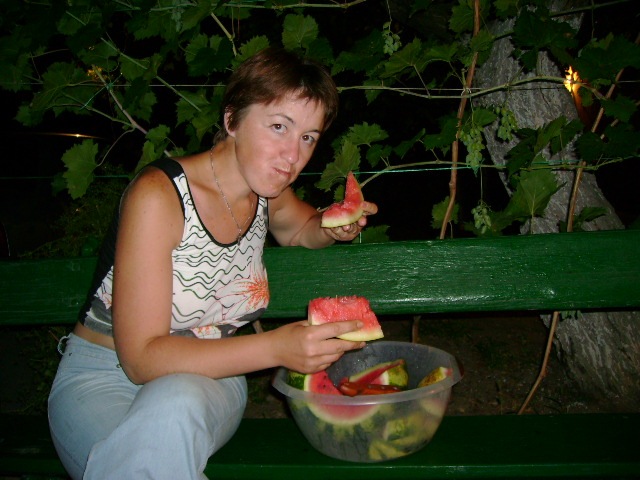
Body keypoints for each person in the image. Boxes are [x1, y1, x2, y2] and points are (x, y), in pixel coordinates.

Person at [47, 47, 378, 479]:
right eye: (279, 126)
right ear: (232, 119)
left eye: (308, 137)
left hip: (211, 379)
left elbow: (301, 229)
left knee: (176, 402)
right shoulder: (159, 196)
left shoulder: (269, 194)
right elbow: (141, 359)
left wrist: (333, 228)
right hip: (102, 376)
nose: (293, 156)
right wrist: (276, 348)